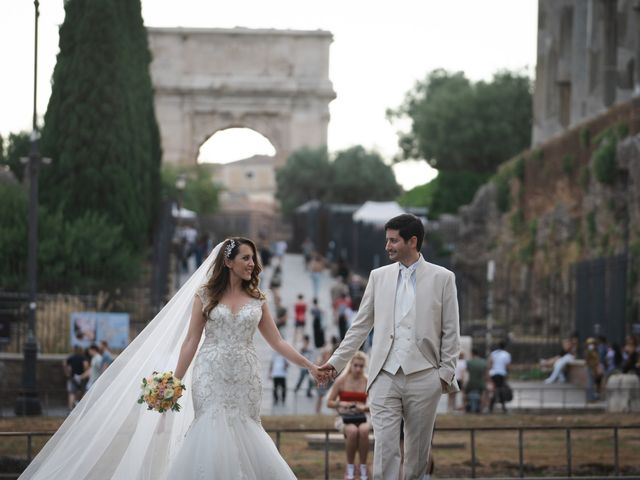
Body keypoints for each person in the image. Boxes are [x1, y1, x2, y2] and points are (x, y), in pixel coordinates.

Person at [20, 238, 329, 479]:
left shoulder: (258, 300)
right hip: (210, 373)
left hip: (245, 376)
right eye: (246, 258)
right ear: (229, 261)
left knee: (245, 429)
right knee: (211, 426)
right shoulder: (205, 295)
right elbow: (191, 341)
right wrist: (172, 384)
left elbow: (277, 341)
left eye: (253, 258)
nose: (252, 264)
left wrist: (310, 365)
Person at [320, 213, 460, 480]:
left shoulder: (443, 278)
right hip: (384, 375)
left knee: (418, 451)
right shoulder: (378, 276)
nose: (387, 246)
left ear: (413, 241)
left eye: (393, 241)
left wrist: (443, 375)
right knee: (384, 449)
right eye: (387, 240)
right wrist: (335, 364)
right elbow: (360, 326)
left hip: (425, 375)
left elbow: (451, 330)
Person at [326, 351, 371, 480]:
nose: (358, 369)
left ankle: (363, 466)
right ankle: (350, 466)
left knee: (363, 430)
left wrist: (364, 407)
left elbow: (375, 404)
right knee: (352, 431)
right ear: (350, 365)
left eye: (361, 366)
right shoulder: (342, 380)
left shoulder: (367, 381)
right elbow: (329, 402)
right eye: (355, 365)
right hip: (344, 417)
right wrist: (342, 403)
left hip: (362, 416)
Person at [488, 341, 512, 413]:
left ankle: (492, 406)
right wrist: (508, 374)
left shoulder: (493, 353)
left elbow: (490, 364)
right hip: (501, 374)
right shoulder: (507, 354)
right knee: (500, 390)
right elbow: (507, 366)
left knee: (496, 390)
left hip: (494, 374)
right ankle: (502, 407)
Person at [63, 346, 87, 411]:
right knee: (82, 392)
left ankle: (70, 408)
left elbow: (65, 363)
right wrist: (85, 372)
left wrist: (66, 372)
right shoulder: (82, 357)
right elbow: (85, 365)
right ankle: (80, 407)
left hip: (72, 377)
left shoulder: (71, 357)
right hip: (81, 377)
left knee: (72, 393)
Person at [465, 348, 488, 413]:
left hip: (471, 383)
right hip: (480, 382)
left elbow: (466, 372)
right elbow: (486, 374)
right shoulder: (484, 362)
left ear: (472, 353)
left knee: (464, 393)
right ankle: (481, 409)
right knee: (483, 393)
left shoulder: (469, 362)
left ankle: (465, 407)